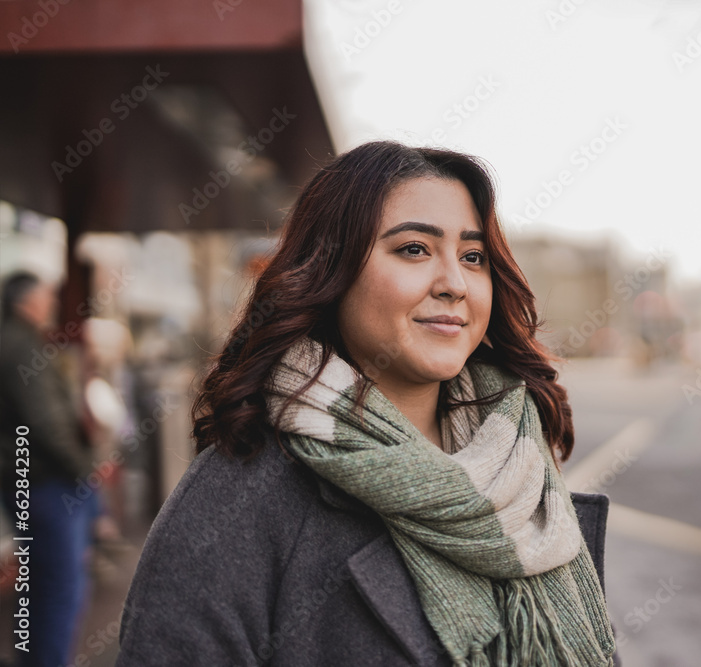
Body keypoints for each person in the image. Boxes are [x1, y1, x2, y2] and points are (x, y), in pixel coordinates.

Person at [115, 141, 619, 666]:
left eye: (473, 258)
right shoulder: (239, 496)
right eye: (414, 250)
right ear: (331, 270)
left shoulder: (518, 463)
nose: (454, 284)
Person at [0, 272, 96, 667]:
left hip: (24, 479)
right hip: (43, 481)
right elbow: (47, 423)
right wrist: (83, 470)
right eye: (45, 297)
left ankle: (33, 658)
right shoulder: (22, 346)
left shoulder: (13, 341)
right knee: (59, 588)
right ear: (26, 303)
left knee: (36, 584)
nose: (51, 304)